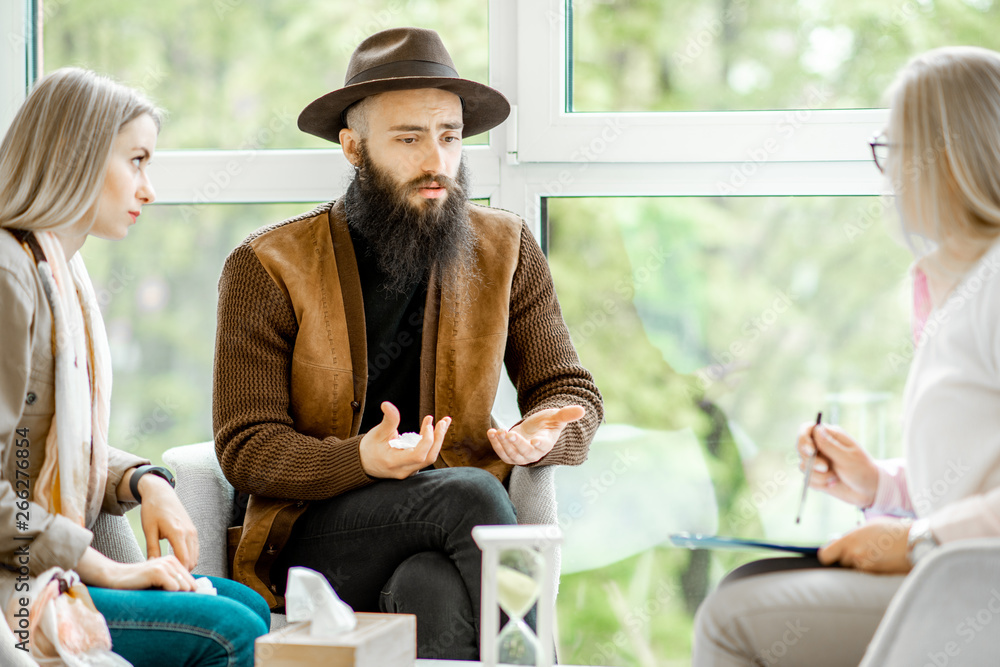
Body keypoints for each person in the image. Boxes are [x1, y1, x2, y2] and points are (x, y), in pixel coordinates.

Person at [213, 26, 603, 659]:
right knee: (475, 493)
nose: (436, 161)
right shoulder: (266, 265)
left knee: (431, 588)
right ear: (353, 147)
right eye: (408, 138)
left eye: (449, 137)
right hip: (319, 534)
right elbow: (245, 446)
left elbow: (568, 389)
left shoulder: (506, 248)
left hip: (452, 536)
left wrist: (549, 431)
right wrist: (359, 461)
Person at [692, 45, 1000, 666]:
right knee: (742, 588)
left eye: (896, 151)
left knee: (732, 617)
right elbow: (979, 477)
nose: (888, 177)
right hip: (956, 571)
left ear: (947, 161)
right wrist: (878, 483)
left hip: (974, 591)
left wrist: (916, 539)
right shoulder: (959, 287)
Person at [0, 67, 269, 666]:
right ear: (76, 154)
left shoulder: (61, 271)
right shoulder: (9, 277)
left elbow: (47, 435)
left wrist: (147, 480)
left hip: (41, 567)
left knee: (245, 605)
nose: (148, 188)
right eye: (137, 161)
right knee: (233, 632)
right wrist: (101, 568)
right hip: (16, 588)